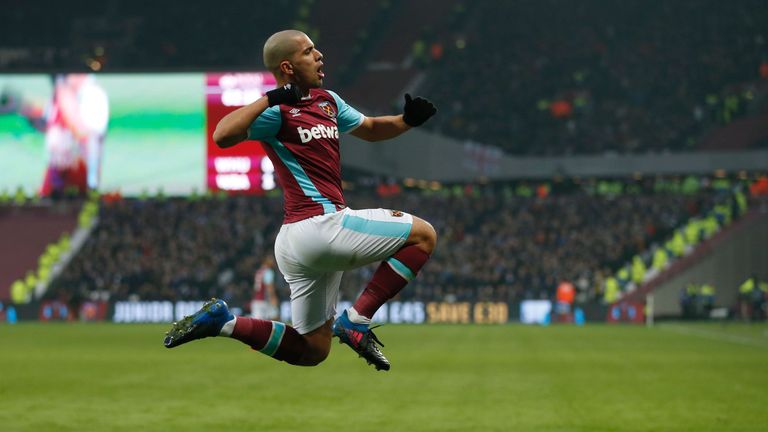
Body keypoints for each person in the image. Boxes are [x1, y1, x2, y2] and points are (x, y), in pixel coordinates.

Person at [163, 30, 437, 371]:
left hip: (300, 242)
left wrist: (406, 121)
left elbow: (369, 127)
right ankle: (357, 319)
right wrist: (272, 97)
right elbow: (222, 135)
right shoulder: (277, 111)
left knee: (312, 350)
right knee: (423, 235)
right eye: (309, 51)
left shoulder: (328, 101)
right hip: (321, 225)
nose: (320, 55)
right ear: (287, 67)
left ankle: (223, 323)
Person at [251, 256, 279, 320]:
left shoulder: (259, 271)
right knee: (274, 319)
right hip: (265, 301)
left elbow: (256, 287)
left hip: (256, 300)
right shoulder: (268, 271)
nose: (273, 262)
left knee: (258, 325)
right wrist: (273, 298)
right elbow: (269, 286)